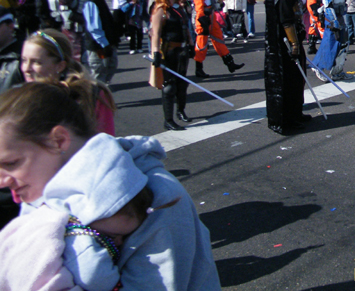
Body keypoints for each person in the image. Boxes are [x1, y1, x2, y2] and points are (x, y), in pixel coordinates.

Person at [0, 81, 221, 289]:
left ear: (59, 140)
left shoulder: (154, 198)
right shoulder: (40, 191)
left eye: (11, 163)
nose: (2, 181)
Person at [263, 0, 311, 135]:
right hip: (283, 42)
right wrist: (294, 44)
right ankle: (288, 118)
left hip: (284, 38)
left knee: (297, 79)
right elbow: (285, 18)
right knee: (288, 80)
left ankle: (296, 113)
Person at [151, 0, 195, 130]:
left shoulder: (179, 8)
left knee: (182, 83)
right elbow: (155, 34)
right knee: (169, 86)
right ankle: (168, 120)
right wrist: (156, 53)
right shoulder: (161, 10)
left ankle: (181, 111)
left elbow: (186, 27)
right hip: (169, 51)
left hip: (182, 51)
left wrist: (191, 44)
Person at [189, 0, 243, 78]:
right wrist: (202, 20)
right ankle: (199, 69)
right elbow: (199, 7)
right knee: (201, 45)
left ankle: (230, 63)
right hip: (203, 19)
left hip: (211, 17)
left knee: (219, 39)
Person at [81, 0, 120, 85]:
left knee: (111, 66)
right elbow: (93, 27)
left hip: (107, 41)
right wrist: (104, 44)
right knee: (98, 72)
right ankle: (97, 93)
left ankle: (103, 89)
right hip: (97, 45)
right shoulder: (90, 1)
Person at [319, 0, 353, 81]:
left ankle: (337, 71)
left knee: (343, 44)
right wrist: (334, 20)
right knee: (329, 44)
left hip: (339, 16)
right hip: (332, 17)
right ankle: (318, 67)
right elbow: (328, 4)